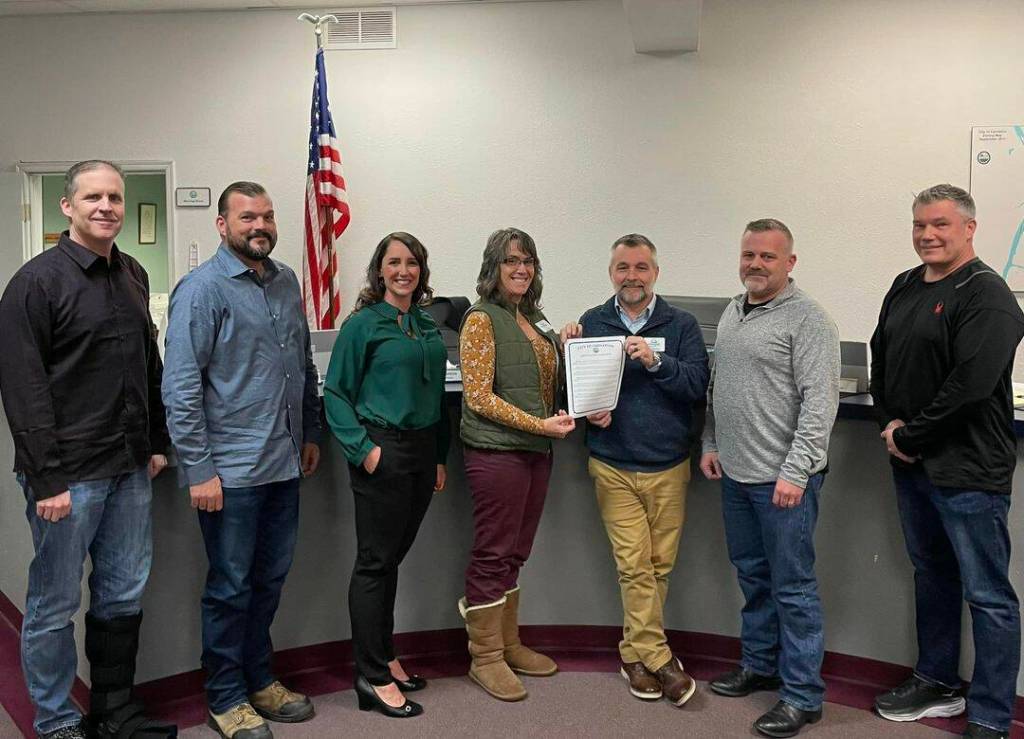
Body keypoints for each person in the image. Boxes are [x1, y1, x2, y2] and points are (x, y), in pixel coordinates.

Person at [0, 160, 176, 739]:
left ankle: (112, 710)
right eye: (93, 197)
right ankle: (54, 722)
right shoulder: (36, 283)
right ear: (67, 207)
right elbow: (23, 388)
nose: (107, 207)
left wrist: (155, 441)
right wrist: (46, 478)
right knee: (53, 604)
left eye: (116, 198)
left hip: (128, 467)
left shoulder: (132, 273)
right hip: (69, 476)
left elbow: (147, 366)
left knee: (122, 592)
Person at [162, 182, 322, 739]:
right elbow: (180, 387)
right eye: (247, 216)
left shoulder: (285, 282)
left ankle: (259, 679)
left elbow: (300, 362)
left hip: (283, 463)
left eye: (268, 216)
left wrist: (311, 430)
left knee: (269, 580)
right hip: (230, 473)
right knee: (230, 586)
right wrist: (199, 468)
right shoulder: (201, 290)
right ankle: (225, 696)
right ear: (222, 225)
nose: (261, 225)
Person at [869, 185, 1023, 739]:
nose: (927, 235)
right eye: (918, 225)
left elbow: (972, 386)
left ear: (969, 228)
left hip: (968, 471)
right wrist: (890, 424)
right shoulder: (906, 286)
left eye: (939, 225)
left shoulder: (989, 296)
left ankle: (989, 714)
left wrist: (912, 434)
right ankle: (936, 682)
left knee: (988, 595)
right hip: (911, 464)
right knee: (932, 575)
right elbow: (879, 355)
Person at [699, 218, 840, 738]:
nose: (755, 265)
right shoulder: (734, 312)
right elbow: (718, 387)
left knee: (794, 588)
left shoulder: (808, 320)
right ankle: (759, 664)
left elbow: (820, 405)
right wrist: (711, 443)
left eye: (767, 257)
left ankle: (803, 696)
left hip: (784, 484)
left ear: (790, 263)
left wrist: (795, 471)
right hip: (736, 476)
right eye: (748, 255)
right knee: (753, 578)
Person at [560, 234, 709, 706]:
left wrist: (657, 361)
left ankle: (633, 655)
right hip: (613, 464)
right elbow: (574, 389)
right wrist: (588, 409)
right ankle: (661, 659)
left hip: (669, 464)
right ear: (611, 274)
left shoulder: (681, 324)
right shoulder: (592, 321)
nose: (632, 276)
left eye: (641, 267)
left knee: (658, 566)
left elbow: (697, 386)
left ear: (655, 274)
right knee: (633, 566)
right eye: (623, 267)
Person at [322, 232, 449, 719]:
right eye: (394, 262)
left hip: (421, 451)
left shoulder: (424, 322)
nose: (403, 270)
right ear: (380, 270)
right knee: (374, 563)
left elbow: (436, 395)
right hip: (382, 449)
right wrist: (363, 451)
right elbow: (336, 393)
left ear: (422, 270)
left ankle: (387, 656)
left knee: (392, 560)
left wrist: (438, 455)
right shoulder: (363, 324)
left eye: (412, 262)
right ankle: (371, 677)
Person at [456, 226, 575, 702]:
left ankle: (508, 643)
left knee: (516, 550)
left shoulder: (535, 319)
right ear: (493, 268)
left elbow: (545, 386)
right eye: (510, 261)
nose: (520, 268)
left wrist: (569, 349)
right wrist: (539, 426)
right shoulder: (481, 319)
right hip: (496, 453)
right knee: (493, 551)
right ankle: (484, 659)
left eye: (527, 260)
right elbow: (479, 397)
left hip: (533, 452)